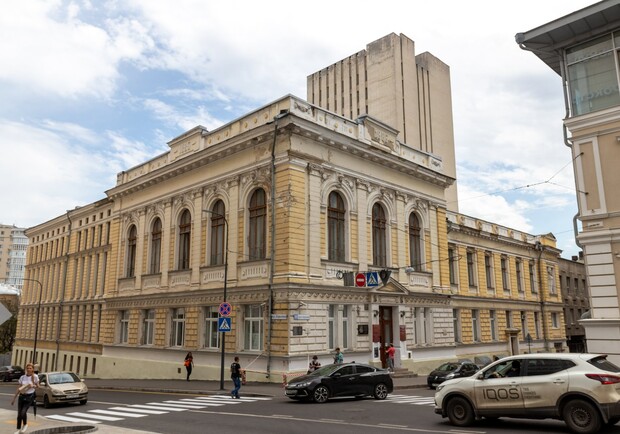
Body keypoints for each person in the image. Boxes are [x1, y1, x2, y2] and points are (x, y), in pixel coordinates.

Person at [11, 362, 39, 434]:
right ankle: (18, 429)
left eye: (30, 368)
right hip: (21, 396)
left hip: (29, 397)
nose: (29, 369)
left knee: (23, 412)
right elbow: (19, 388)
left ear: (32, 369)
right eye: (27, 368)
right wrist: (14, 398)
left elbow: (38, 386)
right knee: (19, 414)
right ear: (26, 369)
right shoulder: (22, 377)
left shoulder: (35, 377)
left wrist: (33, 386)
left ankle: (25, 424)